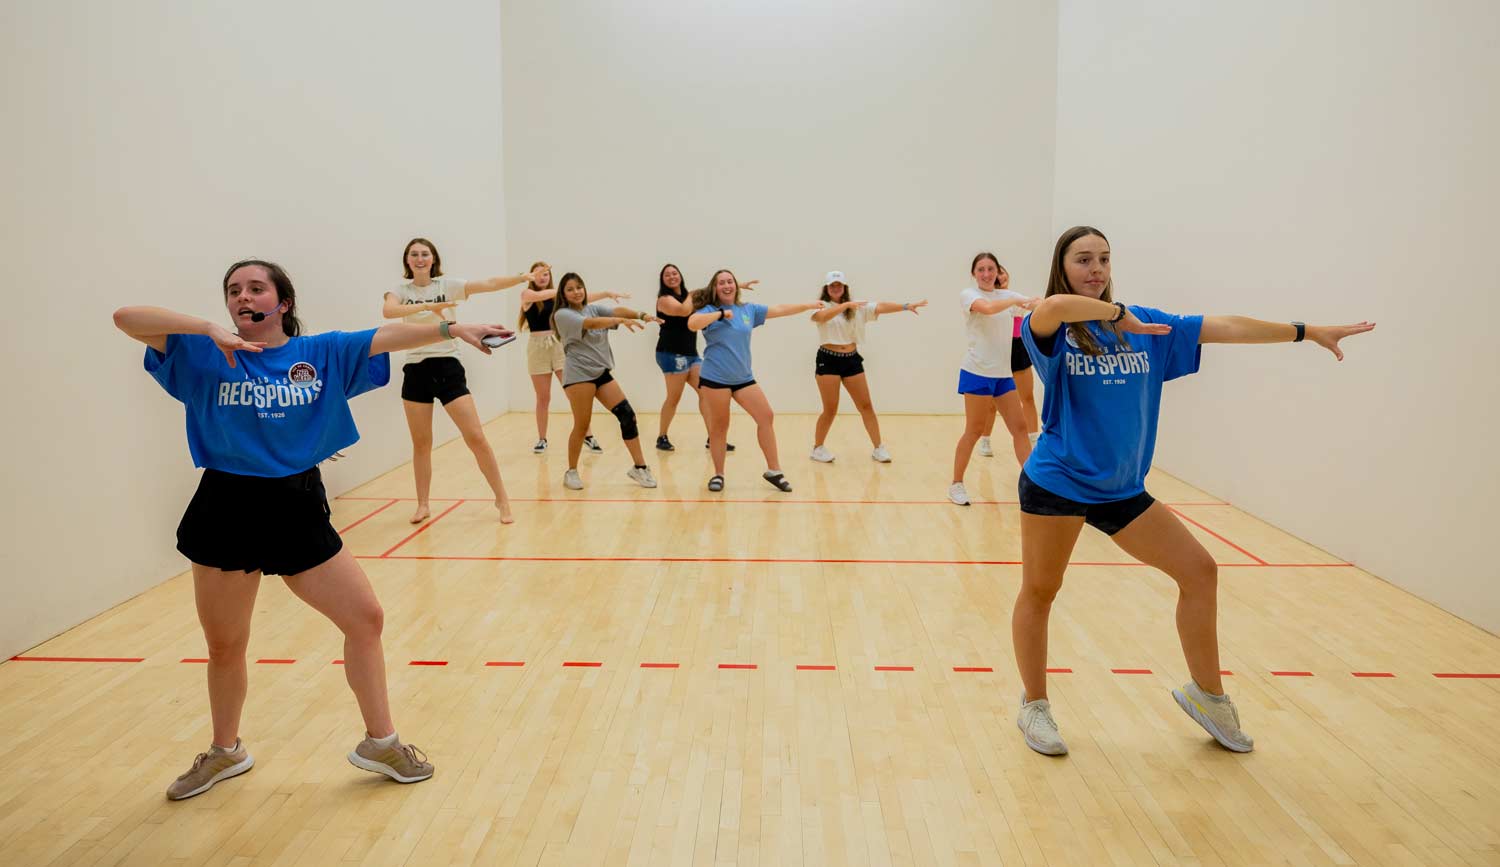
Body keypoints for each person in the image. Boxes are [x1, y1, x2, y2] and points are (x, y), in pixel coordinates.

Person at [114, 259, 514, 799]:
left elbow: (381, 335)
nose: (242, 298)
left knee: (366, 618)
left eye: (256, 288)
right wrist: (205, 327)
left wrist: (451, 327)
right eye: (233, 291)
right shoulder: (203, 352)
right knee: (226, 645)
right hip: (225, 505)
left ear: (283, 303)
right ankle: (225, 751)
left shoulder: (317, 353)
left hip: (295, 504)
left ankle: (381, 741)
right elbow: (125, 316)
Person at [1010, 226, 1375, 757]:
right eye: (1084, 259)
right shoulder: (1053, 329)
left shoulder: (1146, 329)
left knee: (1200, 572)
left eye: (1104, 259)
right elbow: (1052, 308)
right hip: (1058, 482)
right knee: (1041, 592)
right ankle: (1034, 706)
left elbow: (1224, 325)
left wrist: (1304, 330)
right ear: (1062, 267)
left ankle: (1207, 696)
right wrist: (1114, 314)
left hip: (1121, 490)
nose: (1096, 269)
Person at [383, 237, 540, 523]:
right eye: (414, 254)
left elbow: (489, 283)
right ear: (407, 260)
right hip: (415, 369)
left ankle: (502, 499)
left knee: (476, 436)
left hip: (447, 366)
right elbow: (389, 311)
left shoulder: (447, 286)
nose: (420, 259)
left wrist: (521, 278)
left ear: (433, 259)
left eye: (425, 254)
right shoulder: (399, 290)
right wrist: (427, 309)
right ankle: (423, 504)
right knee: (421, 443)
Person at [687, 269, 824, 492]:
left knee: (766, 416)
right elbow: (692, 323)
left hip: (743, 377)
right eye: (721, 283)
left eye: (730, 281)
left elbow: (779, 309)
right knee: (720, 426)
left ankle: (774, 471)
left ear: (735, 286)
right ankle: (718, 474)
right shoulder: (709, 310)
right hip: (715, 378)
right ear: (715, 288)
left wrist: (807, 305)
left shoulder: (747, 310)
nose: (726, 285)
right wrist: (720, 315)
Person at [551, 272, 659, 490]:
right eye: (570, 289)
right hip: (579, 375)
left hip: (600, 372)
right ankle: (571, 472)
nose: (576, 292)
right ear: (563, 294)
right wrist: (618, 321)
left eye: (579, 287)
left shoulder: (591, 306)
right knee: (582, 425)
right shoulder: (562, 314)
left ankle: (639, 468)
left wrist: (641, 314)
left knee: (627, 415)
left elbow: (616, 310)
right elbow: (590, 324)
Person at [807, 270, 927, 463]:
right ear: (826, 288)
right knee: (830, 409)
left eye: (839, 285)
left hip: (851, 360)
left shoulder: (857, 308)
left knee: (866, 406)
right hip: (827, 360)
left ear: (844, 287)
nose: (836, 288)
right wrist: (845, 305)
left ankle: (878, 448)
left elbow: (880, 307)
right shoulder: (820, 306)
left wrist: (905, 306)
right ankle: (817, 448)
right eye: (832, 285)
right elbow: (821, 318)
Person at [950, 253, 1039, 506]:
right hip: (976, 372)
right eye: (981, 269)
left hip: (1002, 376)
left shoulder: (1007, 297)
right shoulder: (969, 295)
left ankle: (1033, 484)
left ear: (998, 271)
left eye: (991, 269)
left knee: (1020, 429)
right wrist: (1014, 298)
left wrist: (1049, 304)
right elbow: (988, 309)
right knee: (975, 430)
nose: (987, 274)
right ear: (974, 273)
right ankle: (956, 484)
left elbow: (1034, 305)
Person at [518, 263, 626, 453]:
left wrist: (606, 293)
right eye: (539, 274)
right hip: (537, 349)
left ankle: (588, 435)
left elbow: (584, 299)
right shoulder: (527, 295)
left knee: (574, 394)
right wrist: (560, 291)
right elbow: (544, 295)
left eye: (546, 274)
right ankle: (542, 438)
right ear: (531, 276)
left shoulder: (561, 299)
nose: (543, 277)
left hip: (559, 347)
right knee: (543, 397)